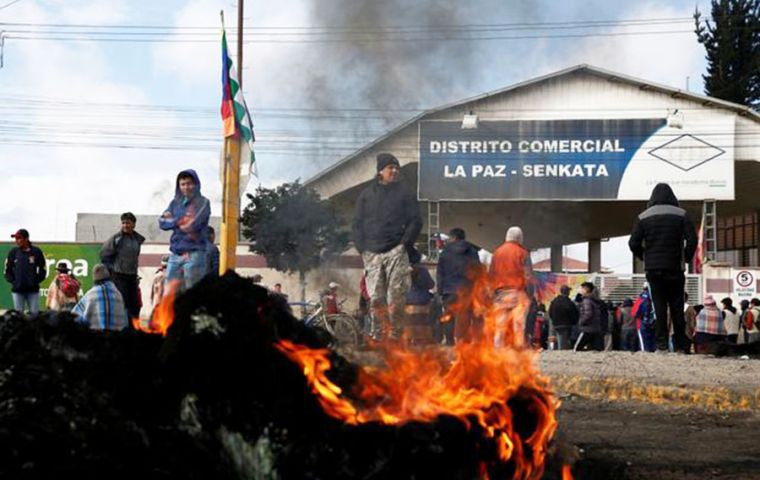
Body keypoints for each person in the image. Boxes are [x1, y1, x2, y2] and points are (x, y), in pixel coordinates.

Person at [351, 152, 422, 341]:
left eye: (397, 167)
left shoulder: (405, 194)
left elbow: (416, 221)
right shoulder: (366, 195)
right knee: (376, 298)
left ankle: (396, 335)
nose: (395, 171)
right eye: (391, 167)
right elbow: (356, 224)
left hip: (396, 251)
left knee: (396, 297)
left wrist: (404, 244)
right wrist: (362, 249)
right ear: (380, 171)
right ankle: (378, 335)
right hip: (371, 254)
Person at [629, 183, 697, 354]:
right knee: (677, 307)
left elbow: (633, 243)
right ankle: (681, 346)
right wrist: (686, 258)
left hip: (653, 270)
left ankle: (662, 345)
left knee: (659, 308)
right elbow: (692, 240)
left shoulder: (643, 216)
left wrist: (645, 257)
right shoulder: (682, 214)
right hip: (675, 268)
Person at [158, 169, 210, 291]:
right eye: (183, 184)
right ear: (178, 186)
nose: (186, 187)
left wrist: (172, 220)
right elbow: (161, 222)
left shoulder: (203, 202)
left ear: (196, 184)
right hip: (175, 254)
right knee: (169, 294)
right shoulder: (175, 203)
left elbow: (192, 224)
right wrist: (180, 220)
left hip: (194, 253)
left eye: (189, 183)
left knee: (193, 294)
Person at [490, 226, 532, 348]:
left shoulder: (497, 252)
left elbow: (491, 274)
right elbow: (528, 276)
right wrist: (530, 294)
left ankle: (498, 352)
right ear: (520, 238)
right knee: (518, 326)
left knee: (499, 327)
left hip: (500, 294)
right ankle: (518, 351)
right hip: (518, 293)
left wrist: (493, 294)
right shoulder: (523, 253)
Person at [436, 227, 480, 344]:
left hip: (449, 291)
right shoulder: (472, 251)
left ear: (454, 237)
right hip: (466, 291)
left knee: (449, 318)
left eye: (450, 237)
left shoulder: (445, 253)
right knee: (465, 318)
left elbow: (440, 273)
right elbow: (477, 272)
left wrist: (440, 291)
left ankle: (450, 343)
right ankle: (463, 345)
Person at [100, 212, 145, 321]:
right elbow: (103, 255)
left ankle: (133, 330)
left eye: (128, 223)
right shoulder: (116, 239)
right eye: (123, 223)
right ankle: (121, 330)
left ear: (134, 224)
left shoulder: (137, 240)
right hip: (119, 277)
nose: (125, 225)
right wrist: (112, 271)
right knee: (122, 304)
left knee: (134, 305)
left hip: (132, 278)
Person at [72, 264, 128, 331]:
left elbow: (75, 316)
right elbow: (125, 321)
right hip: (116, 338)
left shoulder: (91, 294)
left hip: (95, 338)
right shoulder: (117, 294)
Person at [4, 229, 46, 314]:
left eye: (19, 238)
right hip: (18, 291)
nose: (17, 241)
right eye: (16, 238)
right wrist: (14, 282)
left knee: (35, 315)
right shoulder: (13, 252)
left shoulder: (36, 251)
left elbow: (43, 269)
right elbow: (7, 271)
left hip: (33, 291)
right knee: (19, 317)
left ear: (26, 239)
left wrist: (35, 281)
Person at [405, 248, 435, 344]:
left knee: (409, 322)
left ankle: (409, 341)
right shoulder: (422, 270)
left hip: (408, 301)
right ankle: (421, 342)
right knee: (423, 323)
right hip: (422, 301)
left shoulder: (403, 269)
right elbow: (431, 284)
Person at [574, 282, 603, 351]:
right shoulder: (594, 300)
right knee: (595, 349)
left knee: (577, 348)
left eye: (581, 288)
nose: (580, 290)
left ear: (586, 289)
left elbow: (588, 314)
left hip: (587, 328)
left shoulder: (586, 300)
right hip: (595, 327)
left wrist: (581, 322)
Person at [548, 285, 579, 350]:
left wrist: (553, 320)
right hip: (565, 325)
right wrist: (574, 322)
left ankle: (554, 352)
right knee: (563, 343)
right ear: (567, 292)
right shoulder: (569, 302)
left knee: (555, 341)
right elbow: (574, 314)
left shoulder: (554, 301)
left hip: (555, 324)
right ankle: (560, 354)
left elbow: (550, 312)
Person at [632, 284, 656, 352]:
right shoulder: (656, 299)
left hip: (641, 323)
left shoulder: (640, 299)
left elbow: (634, 313)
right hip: (654, 324)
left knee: (644, 345)